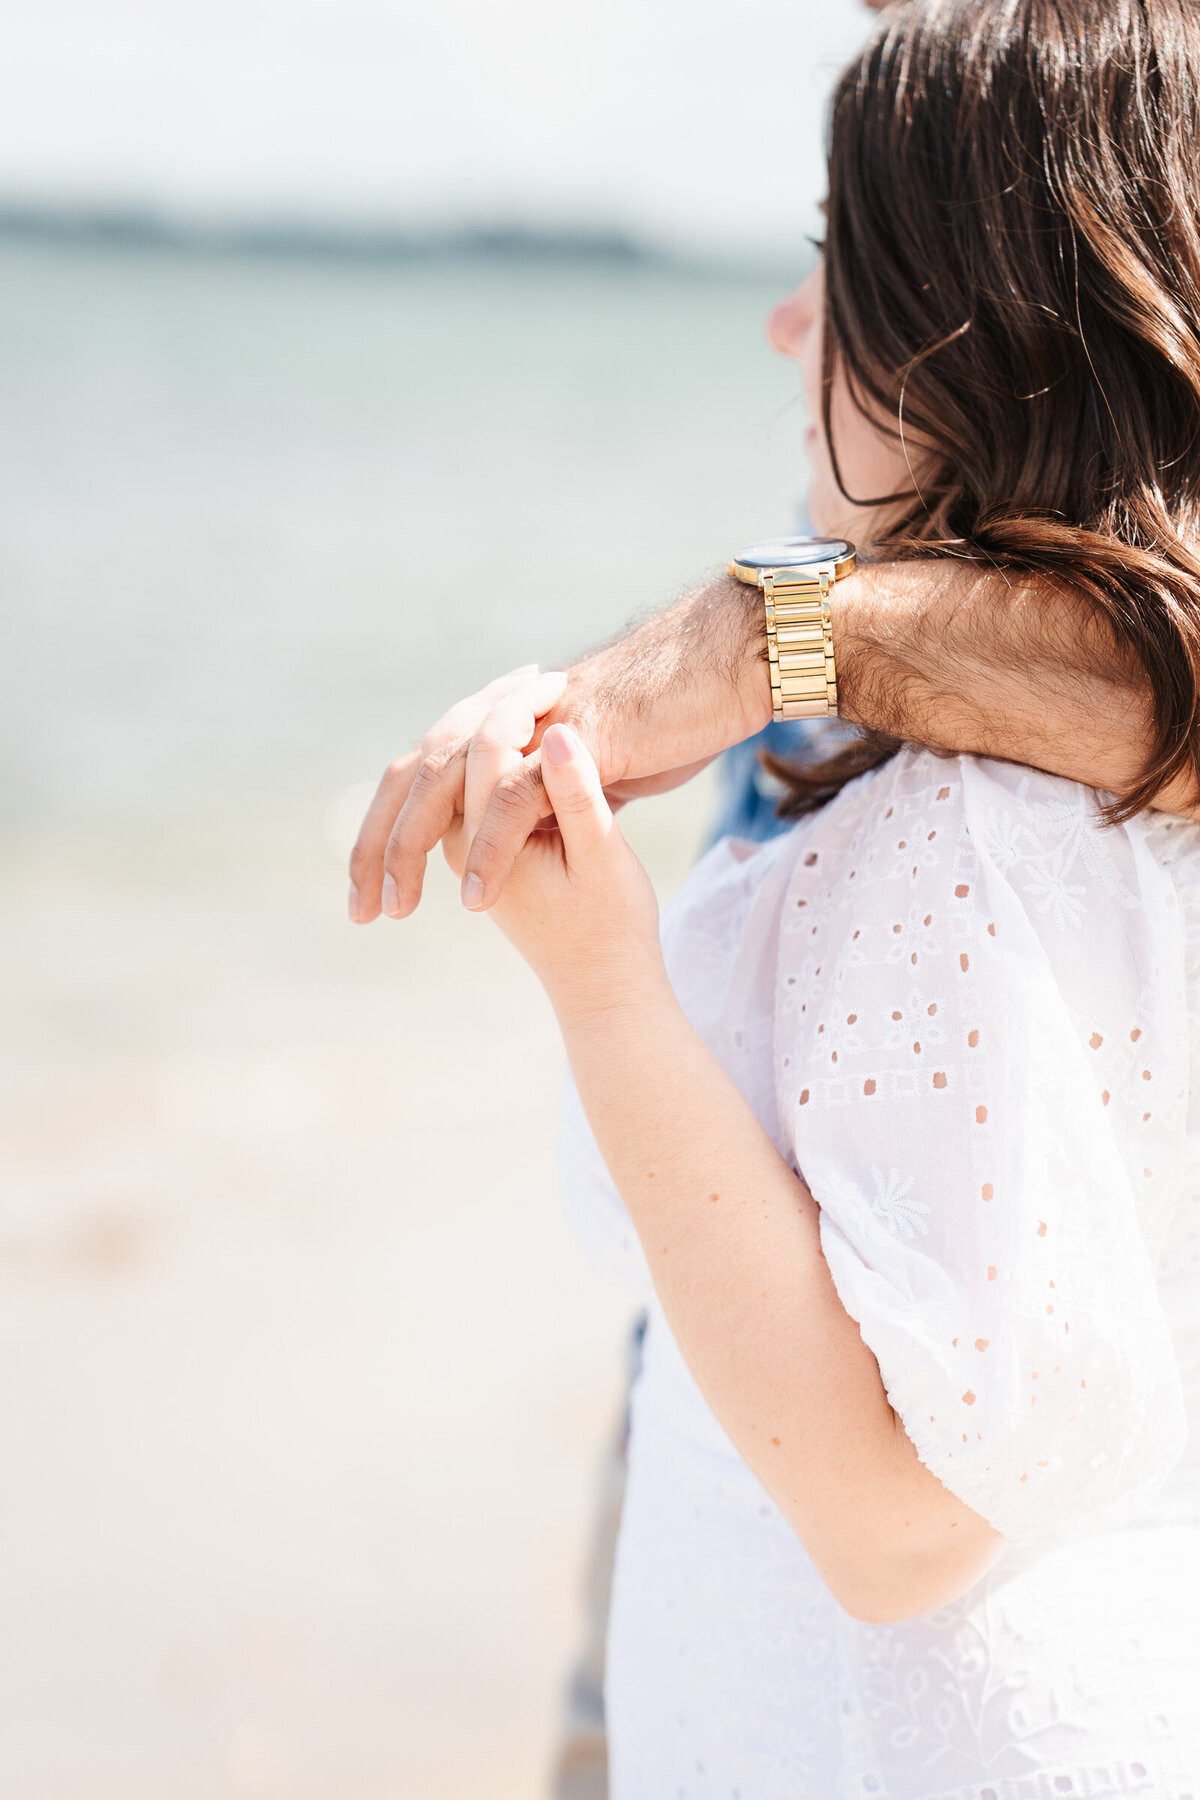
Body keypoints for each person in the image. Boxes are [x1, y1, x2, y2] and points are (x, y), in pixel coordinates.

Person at [353, 0, 1200, 1790]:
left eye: (849, 260)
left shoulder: (975, 828)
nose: (788, 319)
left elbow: (898, 1525)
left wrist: (605, 979)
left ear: (984, 320)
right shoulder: (1001, 752)